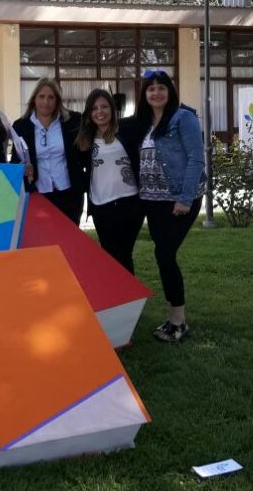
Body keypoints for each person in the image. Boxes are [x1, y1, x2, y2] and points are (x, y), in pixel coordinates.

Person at [134, 70, 206, 343]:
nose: (156, 93)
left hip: (178, 200)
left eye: (161, 87)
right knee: (163, 255)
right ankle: (173, 318)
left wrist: (185, 198)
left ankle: (178, 322)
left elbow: (196, 159)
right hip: (152, 202)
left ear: (170, 91)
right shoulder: (144, 123)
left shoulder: (182, 117)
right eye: (150, 89)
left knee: (165, 255)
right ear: (144, 94)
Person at [75, 88, 141, 272]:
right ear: (89, 113)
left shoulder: (127, 131)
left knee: (124, 253)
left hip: (129, 202)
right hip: (101, 205)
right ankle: (122, 296)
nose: (100, 112)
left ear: (112, 109)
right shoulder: (85, 140)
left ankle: (129, 296)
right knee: (110, 255)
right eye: (94, 108)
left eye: (104, 107)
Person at [11, 78, 86, 224]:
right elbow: (16, 159)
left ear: (57, 100)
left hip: (69, 194)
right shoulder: (21, 126)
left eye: (51, 97)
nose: (46, 102)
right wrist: (23, 168)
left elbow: (84, 152)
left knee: (69, 240)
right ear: (34, 99)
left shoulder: (73, 121)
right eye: (41, 96)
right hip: (38, 193)